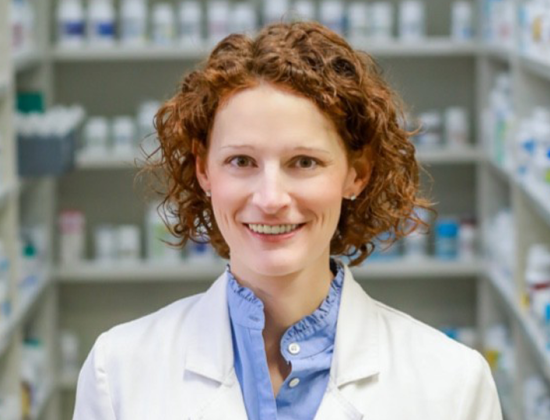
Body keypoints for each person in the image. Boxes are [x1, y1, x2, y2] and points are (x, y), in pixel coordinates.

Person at [73, 21, 503, 420]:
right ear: (204, 171)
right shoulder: (119, 373)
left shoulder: (453, 385)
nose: (270, 198)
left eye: (304, 162)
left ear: (357, 173)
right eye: (241, 161)